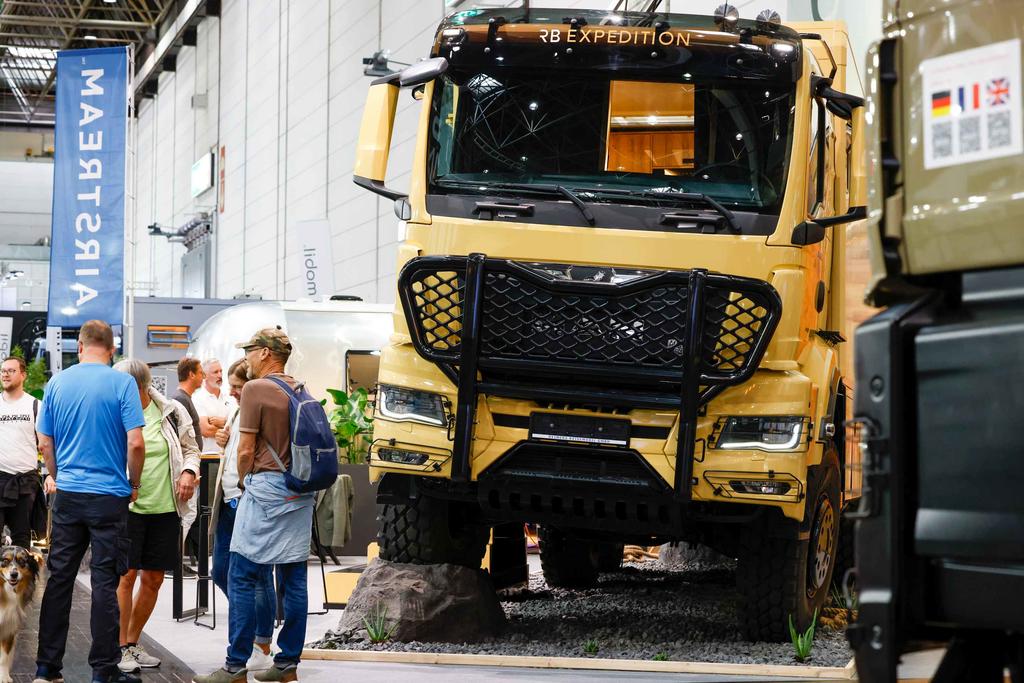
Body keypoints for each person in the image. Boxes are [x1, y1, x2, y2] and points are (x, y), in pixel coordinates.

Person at [195, 327, 313, 683]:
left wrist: (244, 481)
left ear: (265, 353)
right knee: (293, 578)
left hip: (265, 489)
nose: (246, 355)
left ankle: (235, 667)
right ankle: (287, 664)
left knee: (241, 574)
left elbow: (245, 450)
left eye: (249, 349)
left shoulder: (256, 389)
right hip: (299, 490)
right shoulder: (299, 387)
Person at [34, 320, 146, 683]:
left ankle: (47, 668)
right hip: (109, 498)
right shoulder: (123, 382)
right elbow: (136, 443)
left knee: (59, 580)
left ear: (79, 347)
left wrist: (57, 474)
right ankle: (103, 671)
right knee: (104, 583)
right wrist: (134, 483)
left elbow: (45, 443)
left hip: (68, 495)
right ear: (112, 349)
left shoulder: (57, 383)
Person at [112, 359, 201, 674]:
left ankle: (133, 641)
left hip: (166, 508)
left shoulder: (172, 411)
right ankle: (119, 646)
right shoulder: (115, 412)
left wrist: (189, 471)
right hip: (129, 509)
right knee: (126, 576)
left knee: (153, 579)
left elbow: (191, 449)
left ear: (141, 386)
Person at [209, 359, 274, 672]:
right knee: (221, 572)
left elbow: (254, 453)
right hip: (228, 503)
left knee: (257, 578)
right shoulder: (237, 410)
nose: (230, 391)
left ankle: (261, 643)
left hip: (250, 502)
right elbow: (238, 449)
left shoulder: (261, 410)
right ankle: (248, 629)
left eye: (236, 386)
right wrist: (225, 441)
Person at [0, 356, 40, 549]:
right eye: (3, 370)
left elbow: (47, 443)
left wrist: (51, 476)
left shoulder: (36, 406)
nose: (5, 374)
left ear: (23, 375)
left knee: (22, 539)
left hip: (25, 481)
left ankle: (20, 580)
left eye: (11, 370)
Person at [193, 359, 234, 456]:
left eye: (221, 371)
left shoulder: (230, 396)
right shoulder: (197, 399)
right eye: (215, 372)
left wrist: (223, 422)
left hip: (227, 456)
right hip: (208, 457)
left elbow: (239, 421)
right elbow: (206, 430)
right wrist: (230, 428)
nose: (220, 375)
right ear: (204, 376)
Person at [173, 358, 205, 453]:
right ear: (192, 375)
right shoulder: (181, 399)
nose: (203, 377)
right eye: (200, 373)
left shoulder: (185, 398)